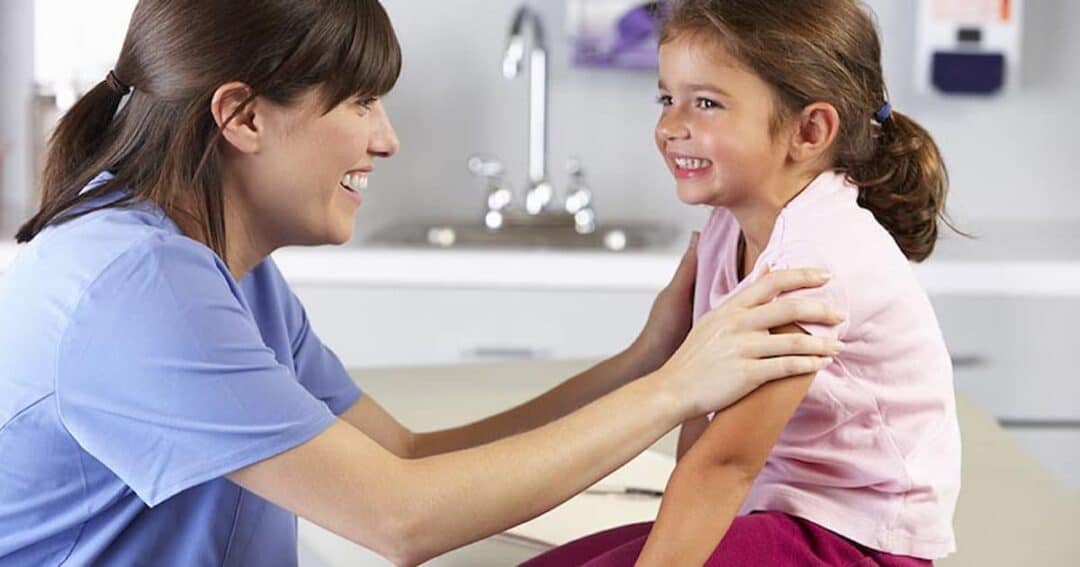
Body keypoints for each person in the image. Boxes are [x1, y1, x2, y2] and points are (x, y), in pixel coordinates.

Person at [0, 1, 844, 565]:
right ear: (243, 116)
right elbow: (400, 515)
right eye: (360, 102)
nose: (388, 138)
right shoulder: (139, 287)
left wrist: (646, 359)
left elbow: (402, 454)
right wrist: (672, 391)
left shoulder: (220, 269)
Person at [521, 0, 963, 565]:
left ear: (809, 130)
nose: (669, 126)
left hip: (857, 543)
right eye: (667, 98)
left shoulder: (815, 261)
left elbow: (726, 464)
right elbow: (703, 423)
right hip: (776, 513)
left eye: (705, 103)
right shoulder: (728, 224)